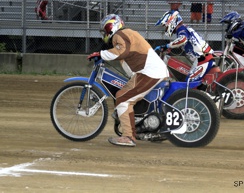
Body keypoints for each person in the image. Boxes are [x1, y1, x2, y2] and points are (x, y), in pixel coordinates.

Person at [88, 14, 169, 147]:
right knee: (123, 94)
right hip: (148, 72)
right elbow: (126, 57)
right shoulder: (127, 33)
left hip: (150, 73)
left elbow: (122, 51)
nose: (104, 34)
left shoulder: (119, 35)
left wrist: (101, 54)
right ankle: (139, 128)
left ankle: (128, 136)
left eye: (104, 30)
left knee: (122, 99)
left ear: (110, 27)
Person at [155, 11, 215, 82]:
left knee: (189, 83)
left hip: (203, 59)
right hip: (203, 58)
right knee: (191, 82)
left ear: (172, 22)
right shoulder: (184, 28)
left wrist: (167, 46)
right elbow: (185, 42)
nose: (166, 28)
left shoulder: (181, 29)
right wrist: (170, 48)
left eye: (166, 25)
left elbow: (183, 39)